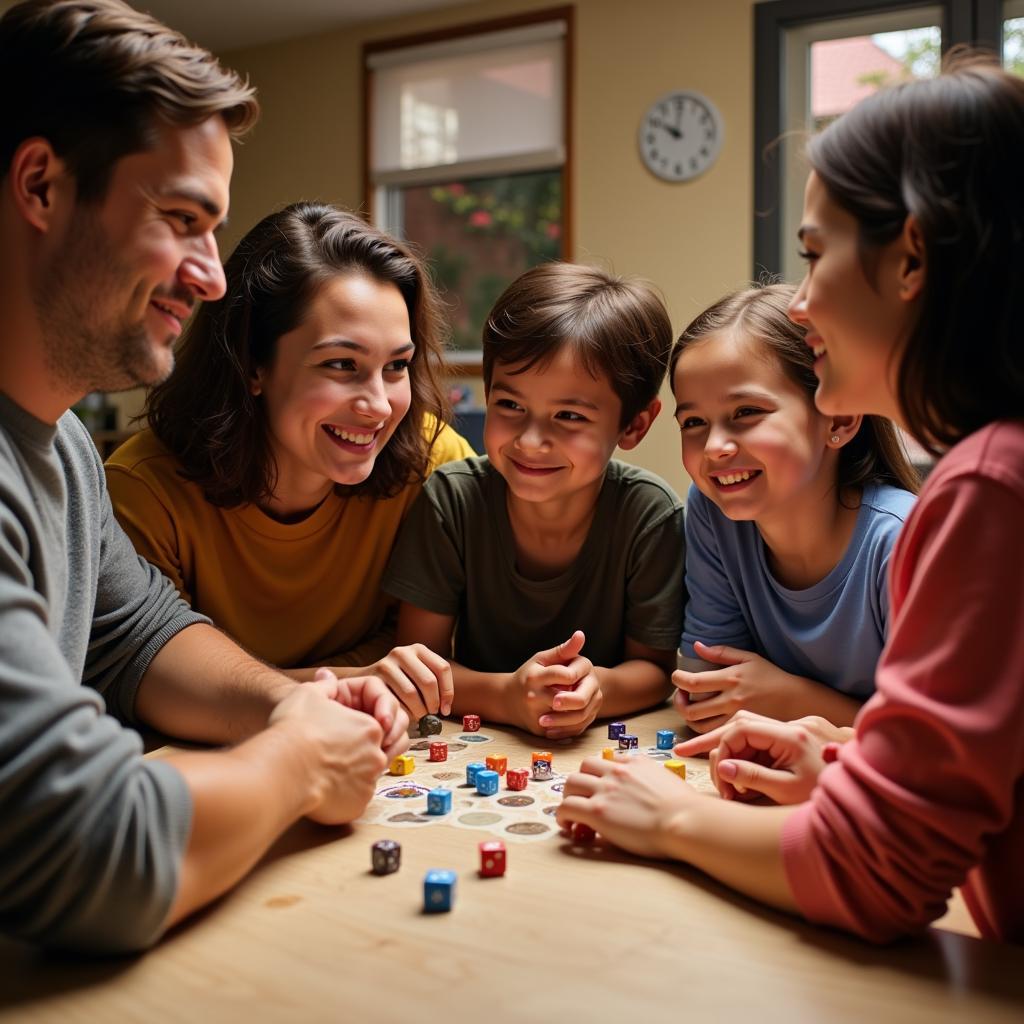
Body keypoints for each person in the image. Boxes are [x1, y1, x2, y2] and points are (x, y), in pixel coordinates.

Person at [558, 53, 1024, 944]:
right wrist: (856, 760)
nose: (803, 306)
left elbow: (879, 875)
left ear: (912, 259)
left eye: (815, 256)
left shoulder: (988, 487)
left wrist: (665, 818)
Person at [0, 0, 407, 954]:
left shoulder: (60, 449)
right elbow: (88, 848)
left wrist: (286, 701)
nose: (215, 277)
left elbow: (135, 632)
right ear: (40, 185)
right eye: (182, 219)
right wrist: (298, 762)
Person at [106, 202, 472, 690]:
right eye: (342, 364)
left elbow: (457, 644)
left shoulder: (435, 462)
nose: (379, 406)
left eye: (397, 366)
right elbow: (150, 679)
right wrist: (354, 681)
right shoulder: (143, 490)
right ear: (253, 364)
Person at [381, 262, 685, 739]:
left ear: (634, 425)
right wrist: (508, 696)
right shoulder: (452, 501)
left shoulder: (650, 516)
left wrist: (595, 688)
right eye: (510, 406)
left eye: (568, 415)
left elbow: (654, 670)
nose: (530, 440)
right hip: (475, 740)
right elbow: (419, 668)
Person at [670, 283, 918, 732]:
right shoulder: (713, 511)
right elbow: (705, 693)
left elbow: (938, 747)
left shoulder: (904, 542)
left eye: (745, 412)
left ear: (839, 419)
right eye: (693, 422)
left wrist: (791, 700)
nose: (715, 447)